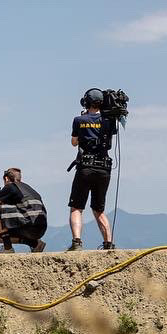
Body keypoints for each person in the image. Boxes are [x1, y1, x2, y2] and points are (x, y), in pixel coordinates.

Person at [67, 89, 118, 251]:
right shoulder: (109, 121)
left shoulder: (78, 120)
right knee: (98, 208)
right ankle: (108, 243)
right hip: (104, 169)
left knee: (77, 207)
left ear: (86, 102)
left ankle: (77, 242)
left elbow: (74, 143)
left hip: (85, 168)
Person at [0, 167, 48, 253]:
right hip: (41, 228)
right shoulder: (28, 188)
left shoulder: (10, 186)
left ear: (6, 178)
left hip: (29, 227)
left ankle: (8, 248)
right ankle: (35, 244)